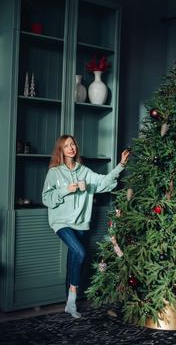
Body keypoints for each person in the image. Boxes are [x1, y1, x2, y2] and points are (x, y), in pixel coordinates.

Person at [42, 134, 130, 318]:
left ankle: (69, 304)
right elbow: (46, 198)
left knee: (75, 258)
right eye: (67, 145)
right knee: (81, 252)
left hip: (81, 223)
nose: (71, 148)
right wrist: (67, 189)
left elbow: (104, 182)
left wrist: (121, 165)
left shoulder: (85, 172)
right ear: (61, 150)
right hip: (61, 222)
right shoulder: (54, 172)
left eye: (73, 144)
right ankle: (72, 301)